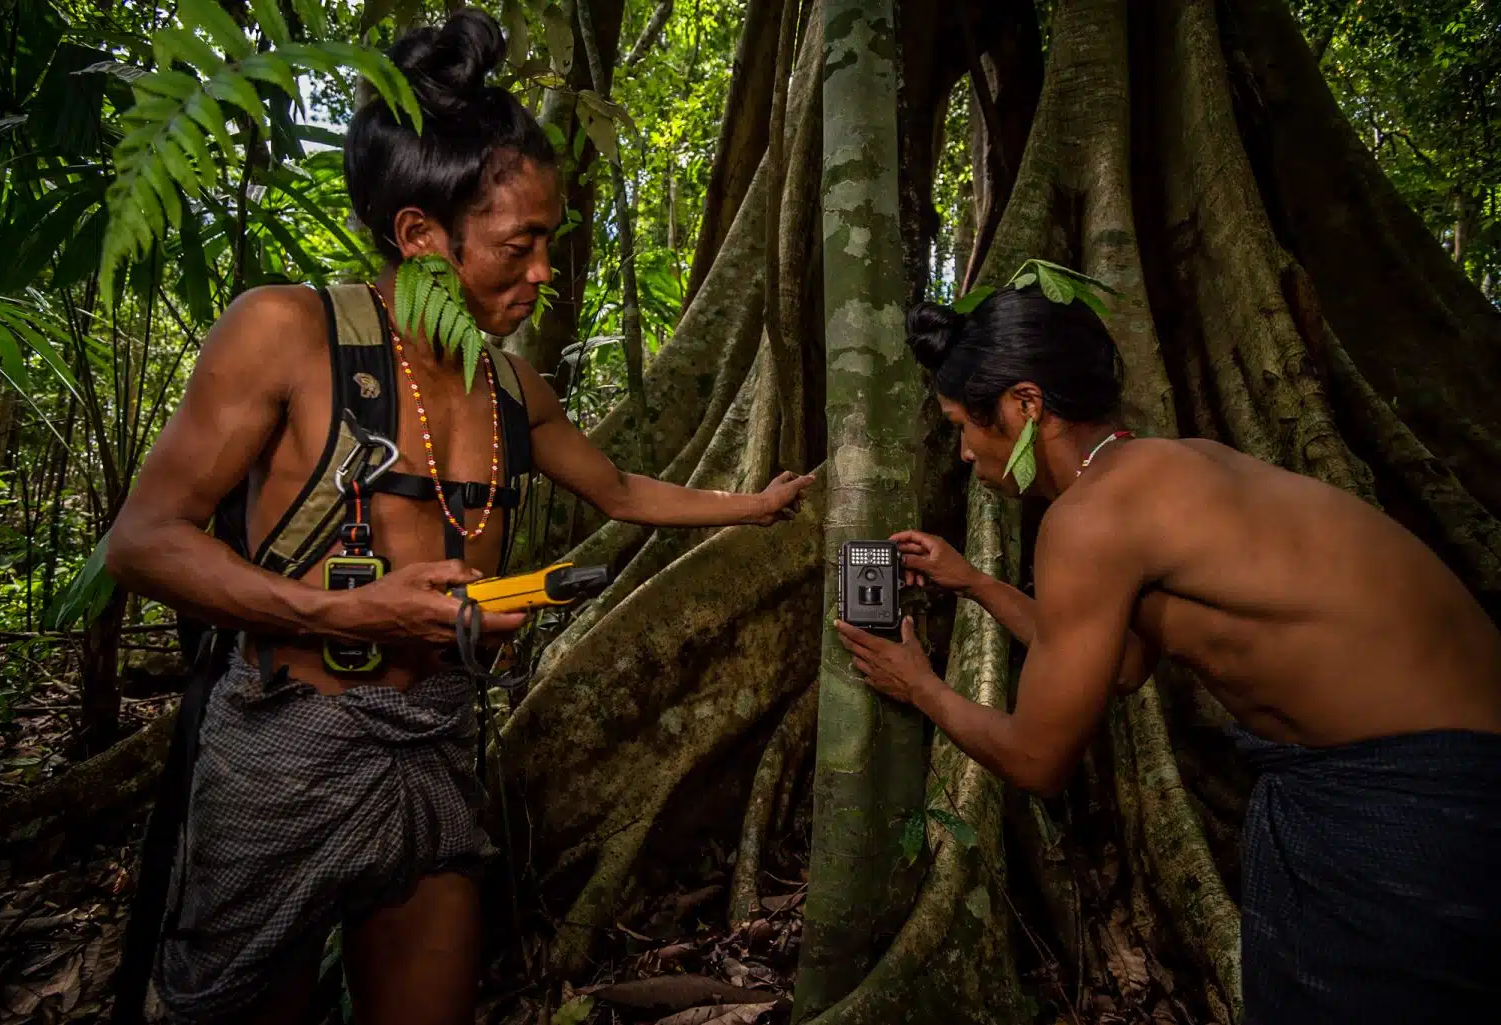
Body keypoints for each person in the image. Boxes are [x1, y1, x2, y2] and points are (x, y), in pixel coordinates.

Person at [104, 9, 814, 1025]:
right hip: (284, 753)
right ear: (418, 235)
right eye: (518, 247)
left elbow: (615, 491)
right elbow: (141, 540)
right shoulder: (288, 333)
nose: (542, 273)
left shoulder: (512, 387)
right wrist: (342, 614)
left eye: (549, 245)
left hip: (434, 744)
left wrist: (756, 504)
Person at [834, 282, 1501, 1023]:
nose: (963, 452)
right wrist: (976, 583)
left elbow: (1037, 759)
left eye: (964, 426)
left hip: (1408, 795)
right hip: (1447, 766)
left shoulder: (1090, 519)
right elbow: (1120, 665)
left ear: (1025, 405)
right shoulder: (1172, 466)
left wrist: (920, 684)